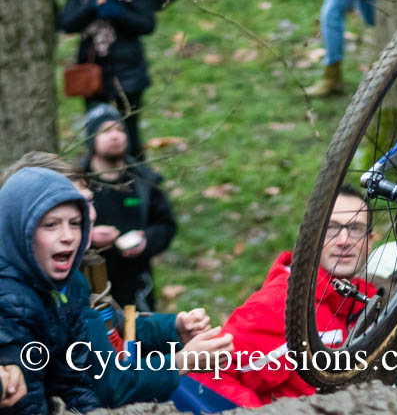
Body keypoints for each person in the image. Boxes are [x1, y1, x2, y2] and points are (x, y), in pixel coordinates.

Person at [0, 152, 231, 410]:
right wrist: (181, 361)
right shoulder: (19, 299)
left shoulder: (71, 279)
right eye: (52, 221)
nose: (90, 216)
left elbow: (115, 325)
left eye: (84, 207)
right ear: (22, 221)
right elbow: (109, 381)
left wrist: (173, 328)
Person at [193, 187, 376, 407]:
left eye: (355, 228)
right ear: (311, 237)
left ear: (370, 239)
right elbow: (208, 374)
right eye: (331, 228)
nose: (344, 240)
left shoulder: (371, 302)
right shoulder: (279, 304)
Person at [0, 168, 100, 415]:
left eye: (76, 224)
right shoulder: (10, 300)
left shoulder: (65, 288)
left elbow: (75, 384)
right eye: (51, 225)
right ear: (20, 229)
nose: (68, 237)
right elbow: (25, 406)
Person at [56, 0, 156, 161]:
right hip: (92, 71)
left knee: (128, 134)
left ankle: (135, 184)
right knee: (96, 131)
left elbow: (147, 24)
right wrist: (91, 7)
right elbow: (67, 23)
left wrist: (118, 13)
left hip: (127, 69)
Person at [80, 104, 176, 311]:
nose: (115, 136)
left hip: (138, 287)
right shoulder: (79, 184)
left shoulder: (144, 181)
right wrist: (89, 237)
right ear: (91, 139)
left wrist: (147, 241)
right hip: (90, 288)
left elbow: (166, 224)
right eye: (105, 131)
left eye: (119, 130)